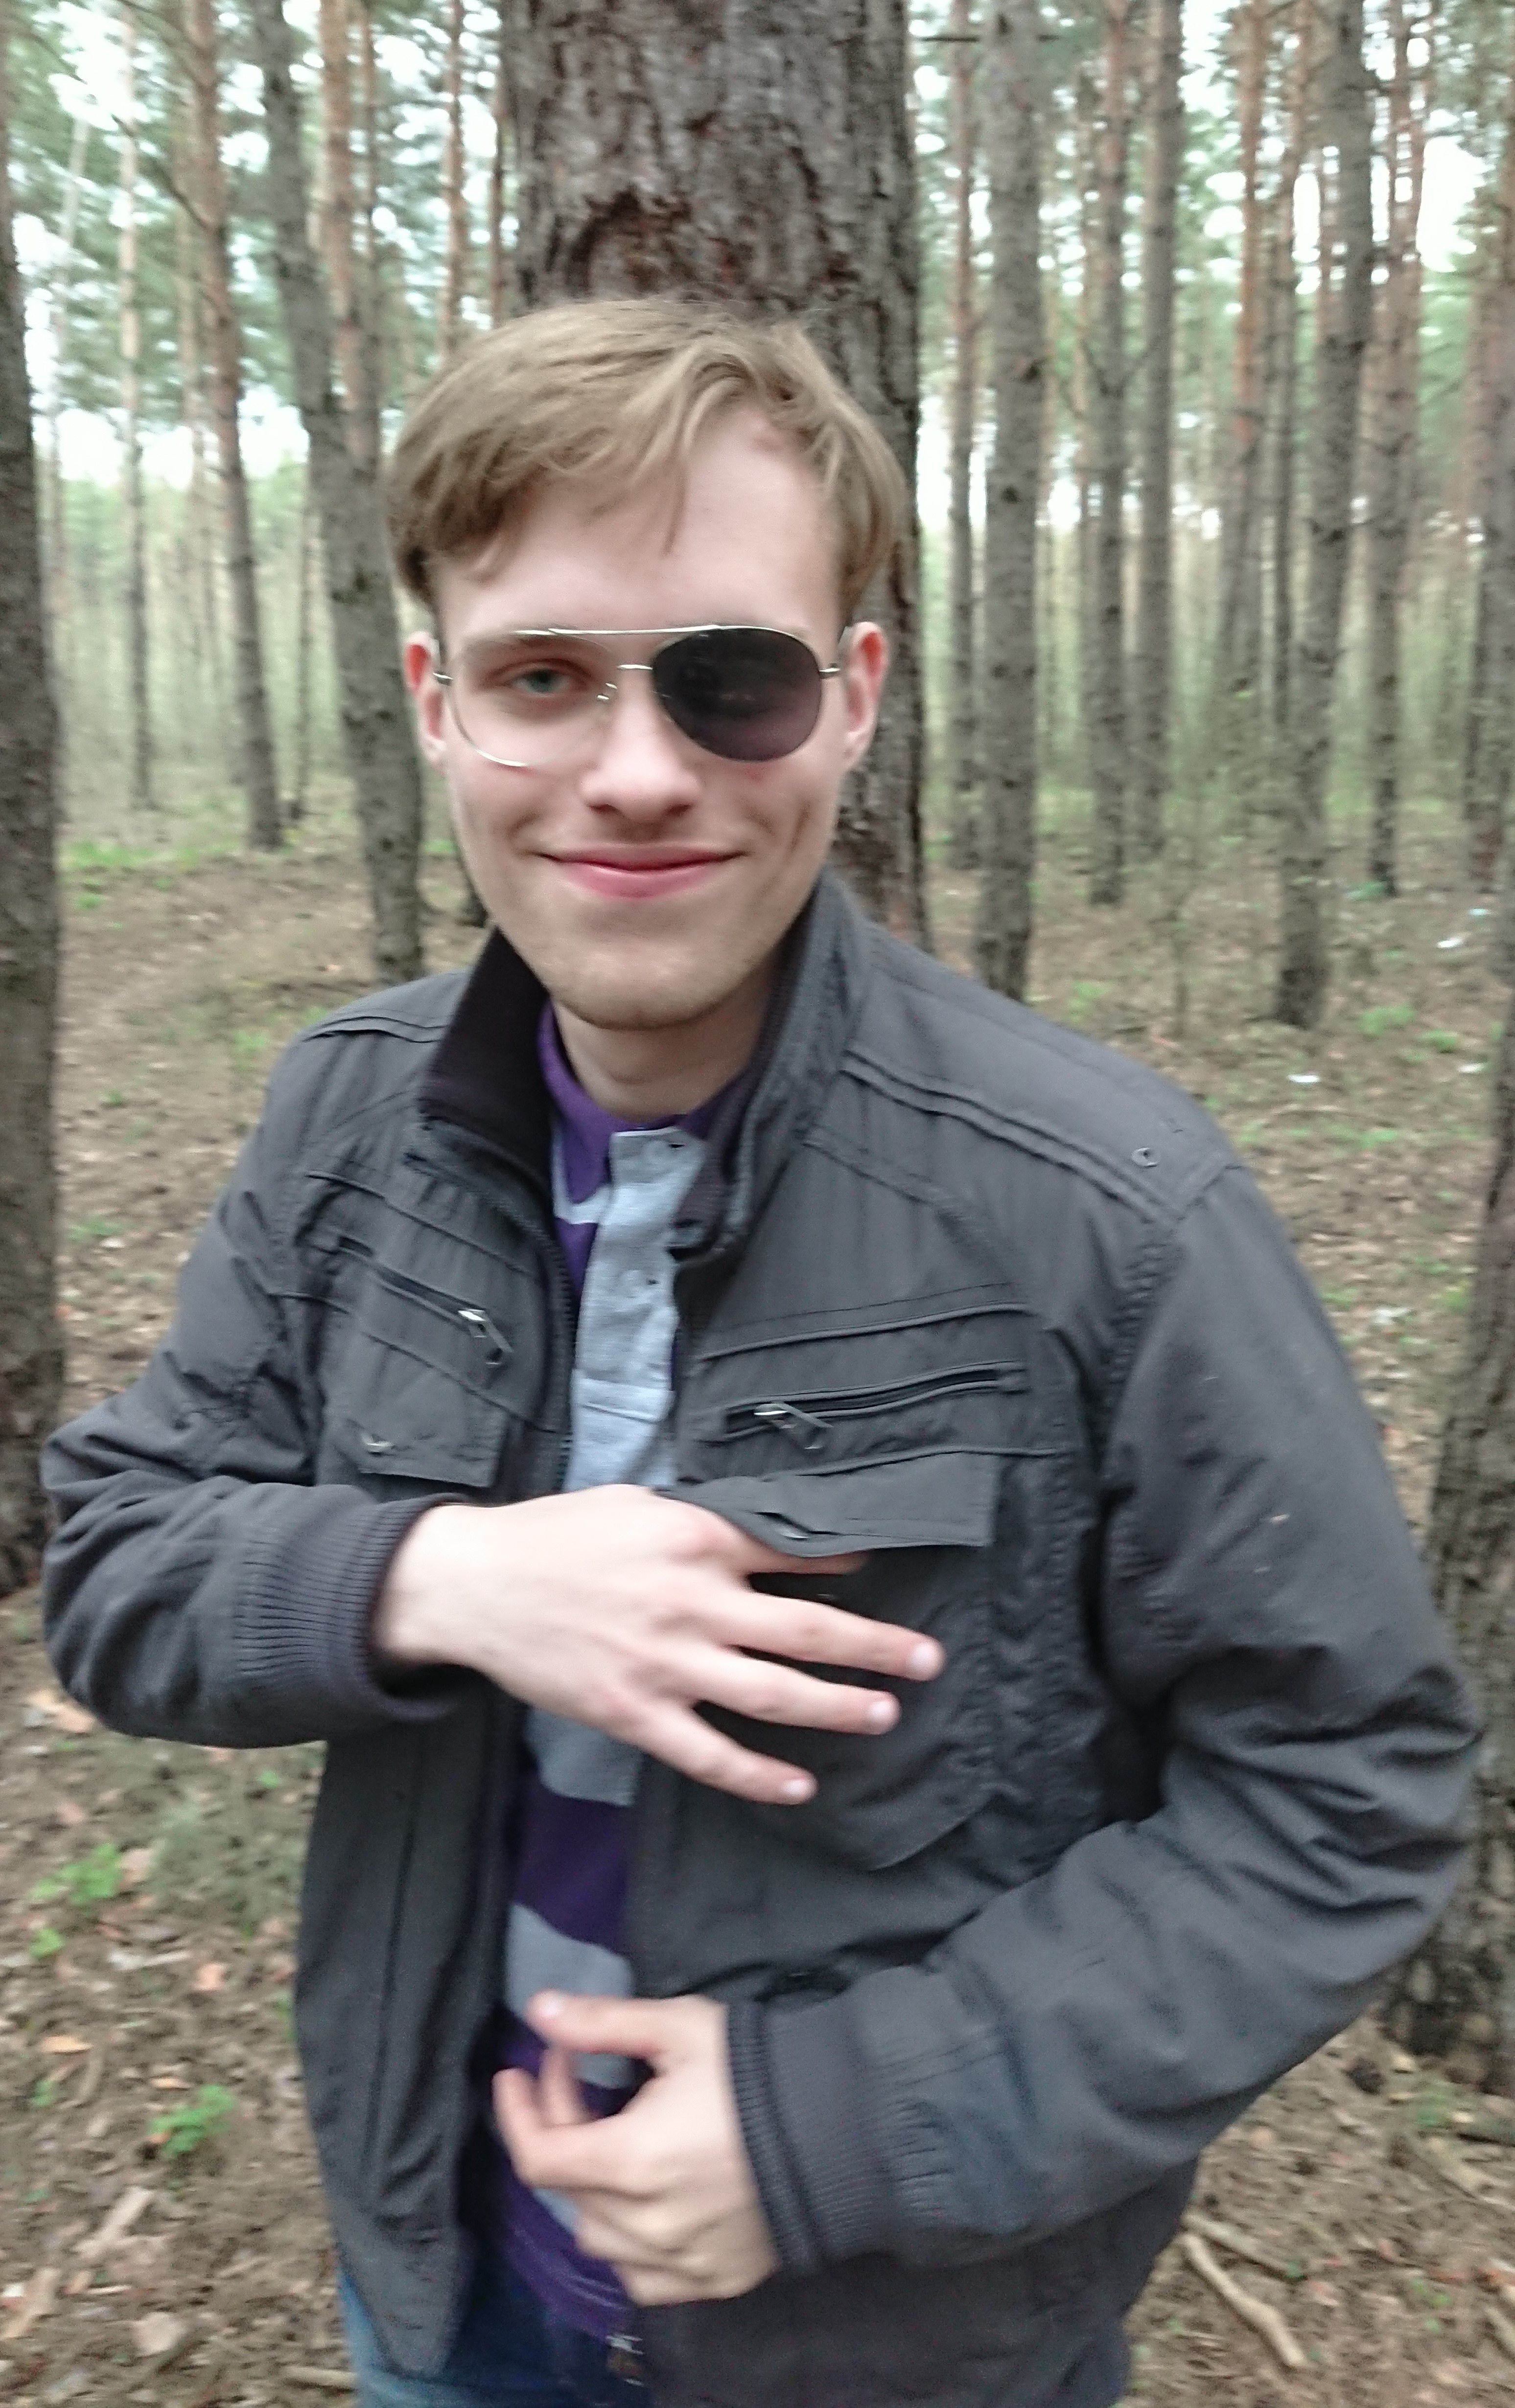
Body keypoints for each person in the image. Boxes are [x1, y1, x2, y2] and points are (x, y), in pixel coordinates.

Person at [42, 297, 1474, 2408]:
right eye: (543, 677)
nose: (638, 775)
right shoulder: (346, 1125)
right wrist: (435, 1577)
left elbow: (1346, 1794)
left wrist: (831, 2132)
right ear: (436, 700)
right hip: (447, 2280)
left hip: (894, 2342)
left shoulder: (1105, 1209)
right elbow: (116, 1559)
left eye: (733, 681)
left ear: (854, 698)